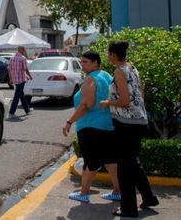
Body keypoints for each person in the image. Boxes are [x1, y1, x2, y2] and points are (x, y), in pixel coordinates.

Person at [100, 41, 158, 217]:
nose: (107, 56)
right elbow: (140, 93)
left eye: (108, 53)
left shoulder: (119, 71)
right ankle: (149, 197)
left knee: (125, 168)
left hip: (126, 123)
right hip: (138, 120)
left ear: (113, 55)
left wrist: (108, 102)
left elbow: (124, 100)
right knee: (132, 162)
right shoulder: (132, 68)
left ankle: (128, 209)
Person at [63, 51, 120, 203]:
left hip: (90, 127)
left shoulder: (91, 79)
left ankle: (83, 193)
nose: (82, 65)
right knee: (111, 160)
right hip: (108, 125)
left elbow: (86, 105)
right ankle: (117, 191)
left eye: (86, 62)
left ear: (95, 62)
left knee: (90, 162)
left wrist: (70, 121)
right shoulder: (107, 75)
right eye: (81, 62)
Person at [7, 46, 32, 119]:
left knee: (21, 95)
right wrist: (29, 76)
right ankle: (11, 112)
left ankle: (27, 110)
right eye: (24, 49)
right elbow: (25, 69)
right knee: (17, 96)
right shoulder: (23, 58)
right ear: (21, 50)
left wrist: (11, 78)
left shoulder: (12, 58)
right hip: (21, 79)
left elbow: (9, 69)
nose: (25, 51)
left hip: (15, 79)